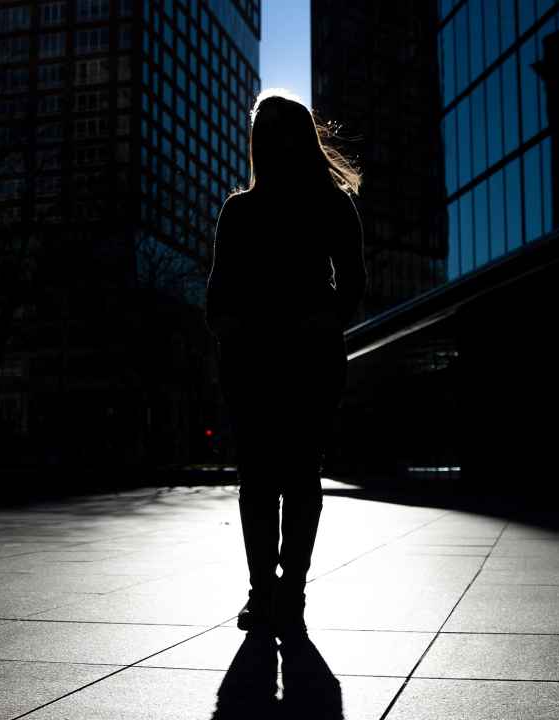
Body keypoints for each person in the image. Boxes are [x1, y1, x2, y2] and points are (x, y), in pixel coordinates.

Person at [204, 88, 367, 641]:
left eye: (279, 128)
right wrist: (230, 333)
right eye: (263, 129)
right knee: (263, 482)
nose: (269, 138)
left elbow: (354, 284)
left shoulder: (329, 203)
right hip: (254, 361)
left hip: (306, 359)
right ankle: (265, 592)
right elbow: (218, 293)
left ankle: (287, 591)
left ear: (297, 135)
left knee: (295, 478)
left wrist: (323, 323)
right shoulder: (240, 209)